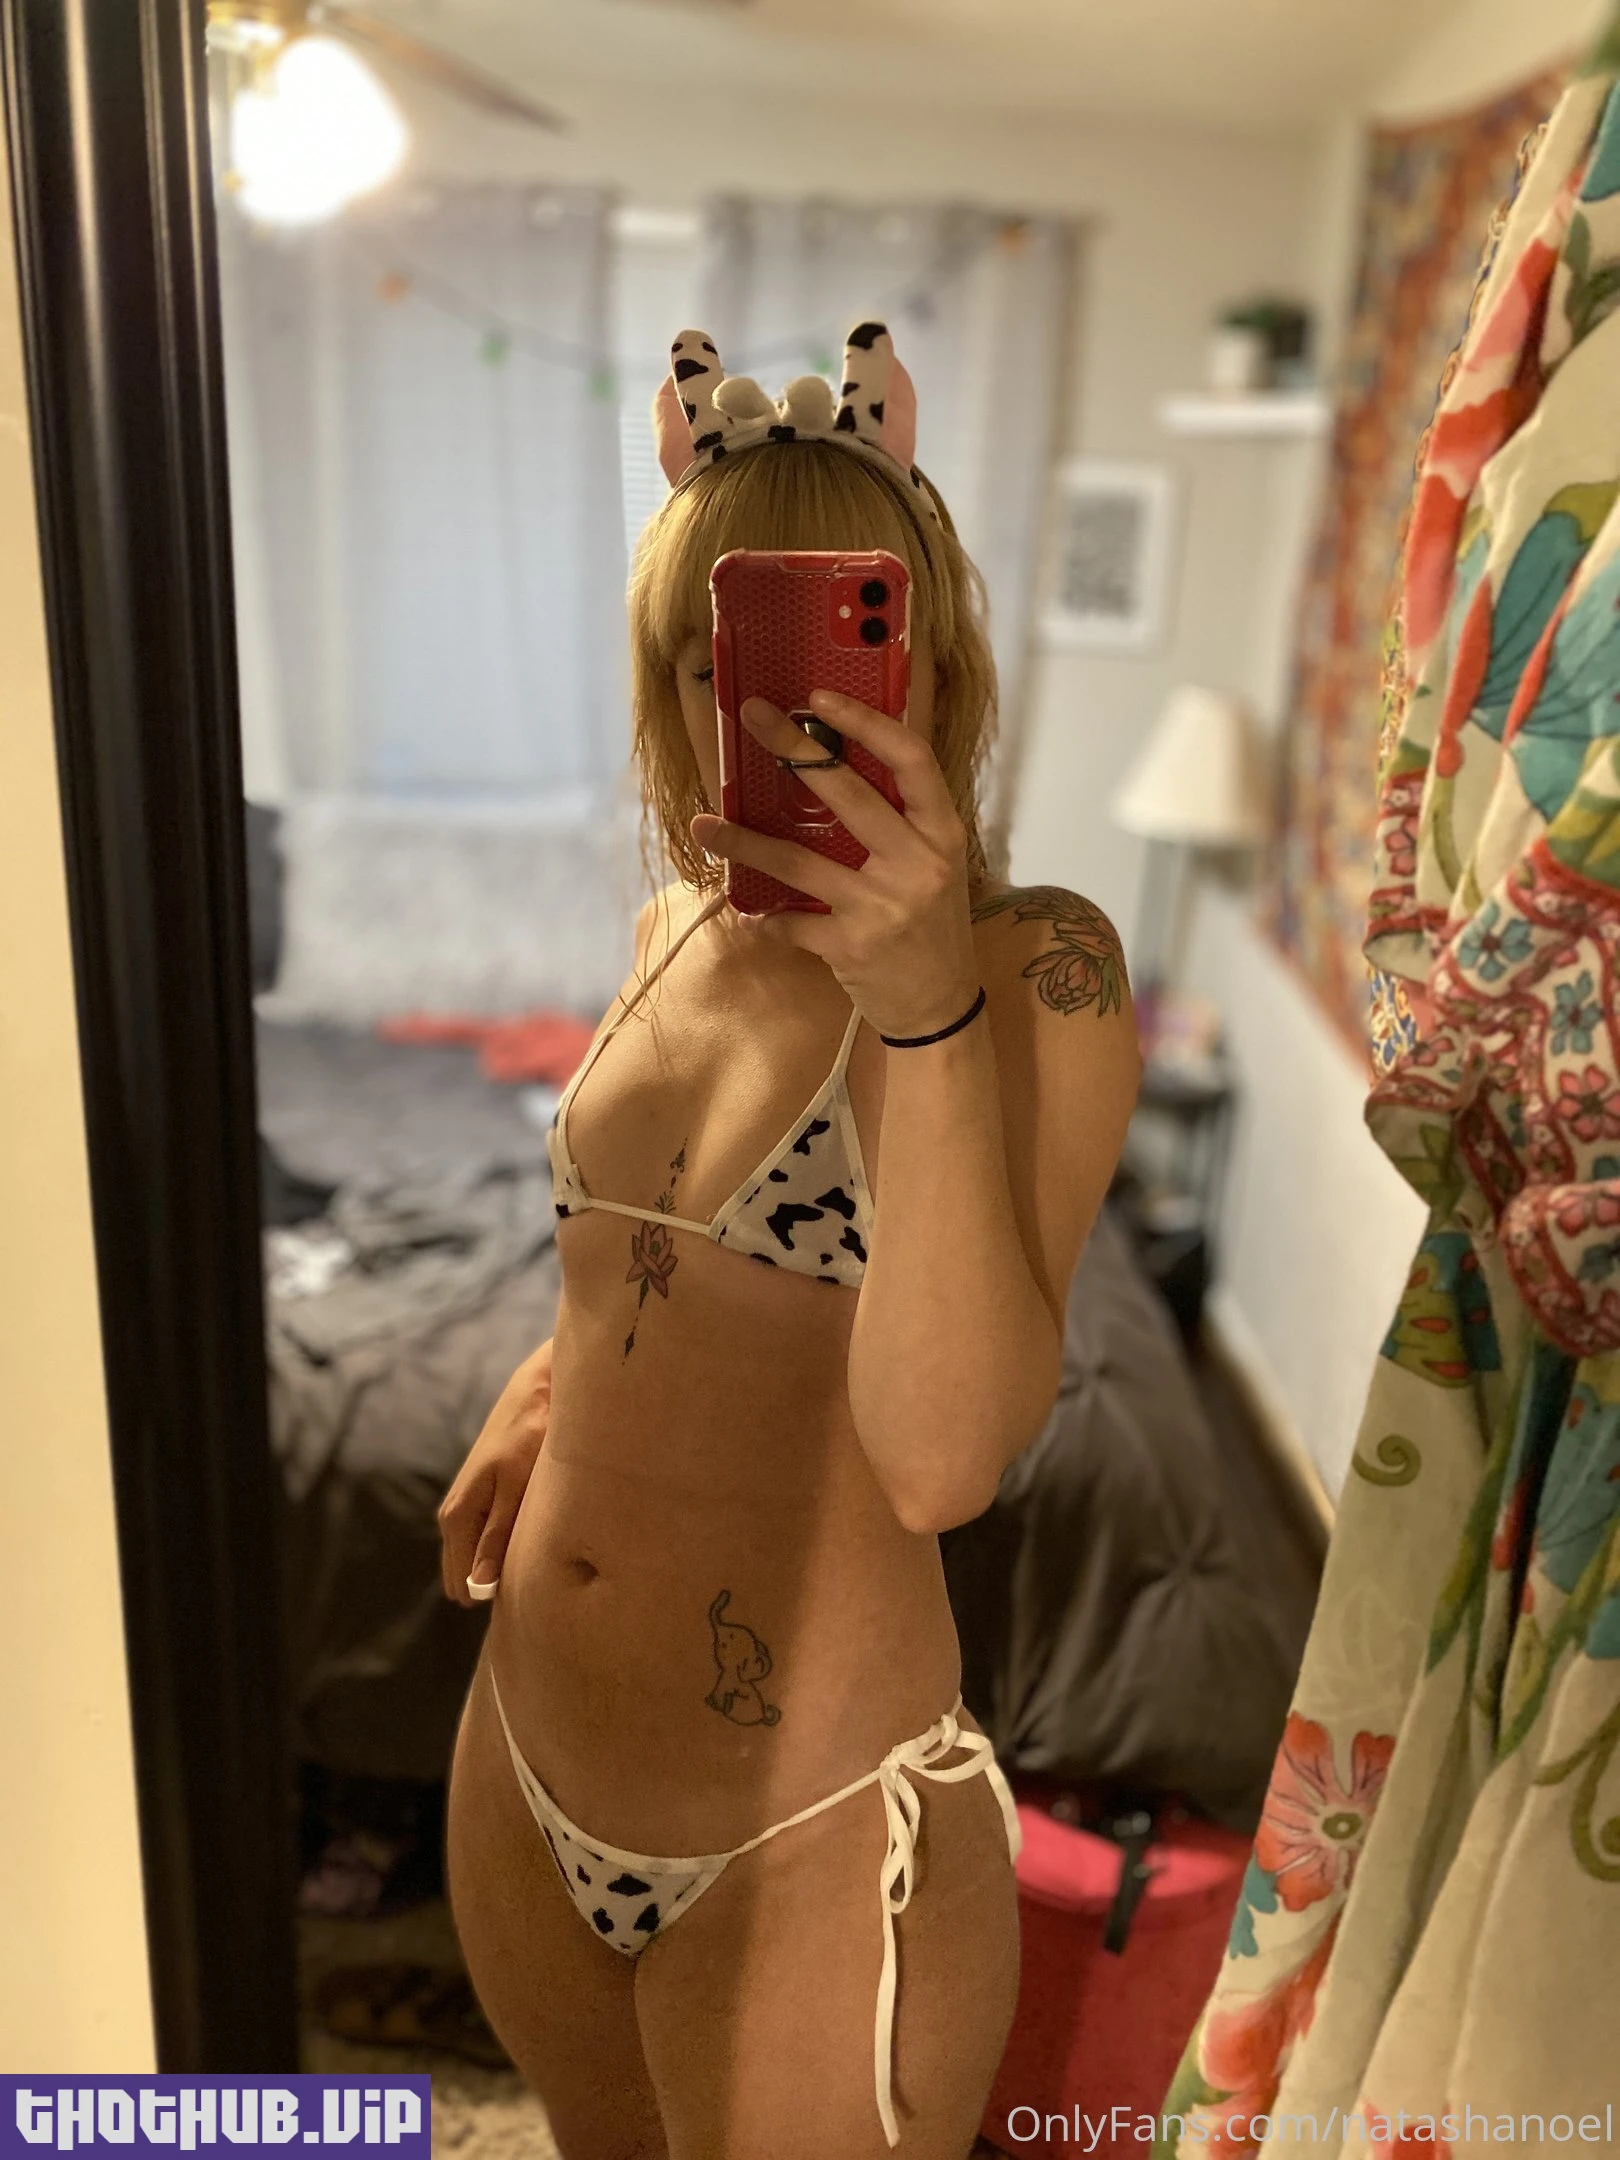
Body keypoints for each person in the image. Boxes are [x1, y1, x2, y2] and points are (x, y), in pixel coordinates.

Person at [438, 319, 1140, 2160]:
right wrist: (545, 1385)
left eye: (844, 653)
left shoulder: (1036, 972)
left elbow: (940, 1458)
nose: (764, 718)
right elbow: (648, 1248)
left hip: (809, 1828)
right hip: (526, 1751)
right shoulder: (676, 919)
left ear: (931, 665)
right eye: (712, 664)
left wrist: (920, 1009)